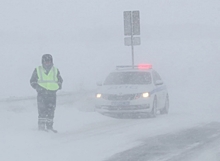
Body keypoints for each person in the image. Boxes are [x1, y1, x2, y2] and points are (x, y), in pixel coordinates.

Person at [30, 54, 63, 133]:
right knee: (42, 111)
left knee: (51, 111)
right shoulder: (37, 70)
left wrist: (58, 86)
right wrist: (38, 88)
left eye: (49, 61)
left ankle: (49, 127)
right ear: (43, 62)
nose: (48, 63)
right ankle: (41, 128)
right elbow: (32, 81)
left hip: (52, 94)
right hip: (42, 94)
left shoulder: (55, 70)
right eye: (46, 61)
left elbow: (60, 80)